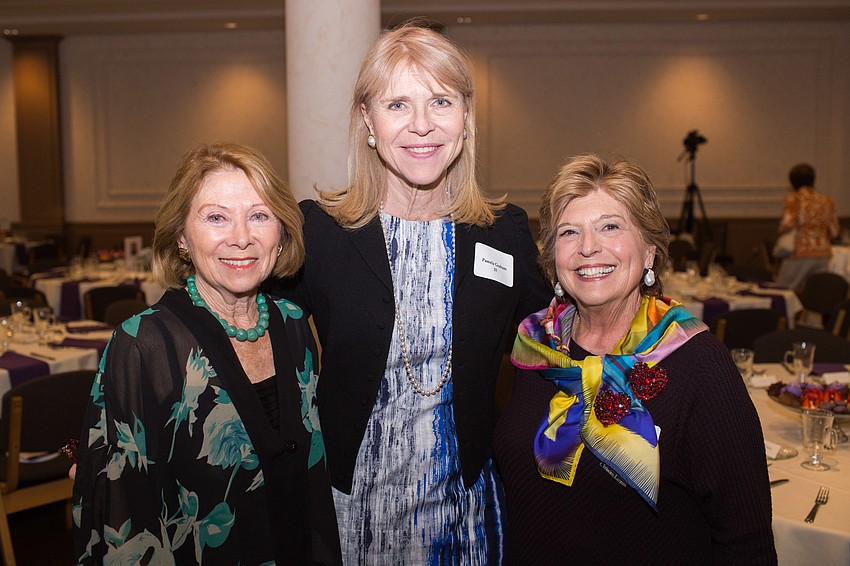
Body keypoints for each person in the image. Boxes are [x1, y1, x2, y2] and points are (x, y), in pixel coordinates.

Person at [274, 22, 551, 564]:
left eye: (441, 102)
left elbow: (560, 343)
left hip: (466, 514)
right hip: (350, 513)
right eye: (397, 104)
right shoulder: (321, 233)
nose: (421, 125)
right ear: (368, 121)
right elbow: (244, 327)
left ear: (465, 118)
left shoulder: (504, 233)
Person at [493, 154, 777, 564]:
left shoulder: (698, 362)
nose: (588, 247)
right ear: (553, 257)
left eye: (610, 226)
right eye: (569, 232)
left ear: (649, 251)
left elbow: (746, 542)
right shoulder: (536, 346)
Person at [72, 143, 342, 564]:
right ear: (181, 236)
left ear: (281, 232)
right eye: (216, 217)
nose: (242, 238)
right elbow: (124, 520)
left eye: (259, 215)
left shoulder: (292, 325)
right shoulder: (144, 345)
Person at [775, 162, 839, 291]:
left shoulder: (793, 199)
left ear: (793, 182)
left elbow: (788, 223)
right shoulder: (827, 201)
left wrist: (781, 229)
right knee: (817, 293)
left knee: (784, 290)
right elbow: (834, 231)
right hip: (823, 253)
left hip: (799, 252)